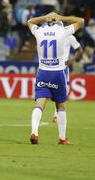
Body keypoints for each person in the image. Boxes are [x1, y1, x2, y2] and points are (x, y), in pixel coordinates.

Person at [27, 12, 84, 145]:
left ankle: (34, 132)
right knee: (61, 106)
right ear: (58, 23)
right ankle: (62, 138)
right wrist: (61, 17)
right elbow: (80, 21)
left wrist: (43, 18)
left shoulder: (39, 31)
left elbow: (30, 21)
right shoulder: (63, 31)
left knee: (40, 103)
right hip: (58, 73)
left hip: (43, 72)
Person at [52, 35, 83, 122]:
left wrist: (70, 61)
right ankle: (57, 114)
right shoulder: (53, 34)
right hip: (54, 66)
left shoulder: (69, 36)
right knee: (60, 91)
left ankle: (56, 114)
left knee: (64, 90)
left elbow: (80, 50)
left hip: (63, 66)